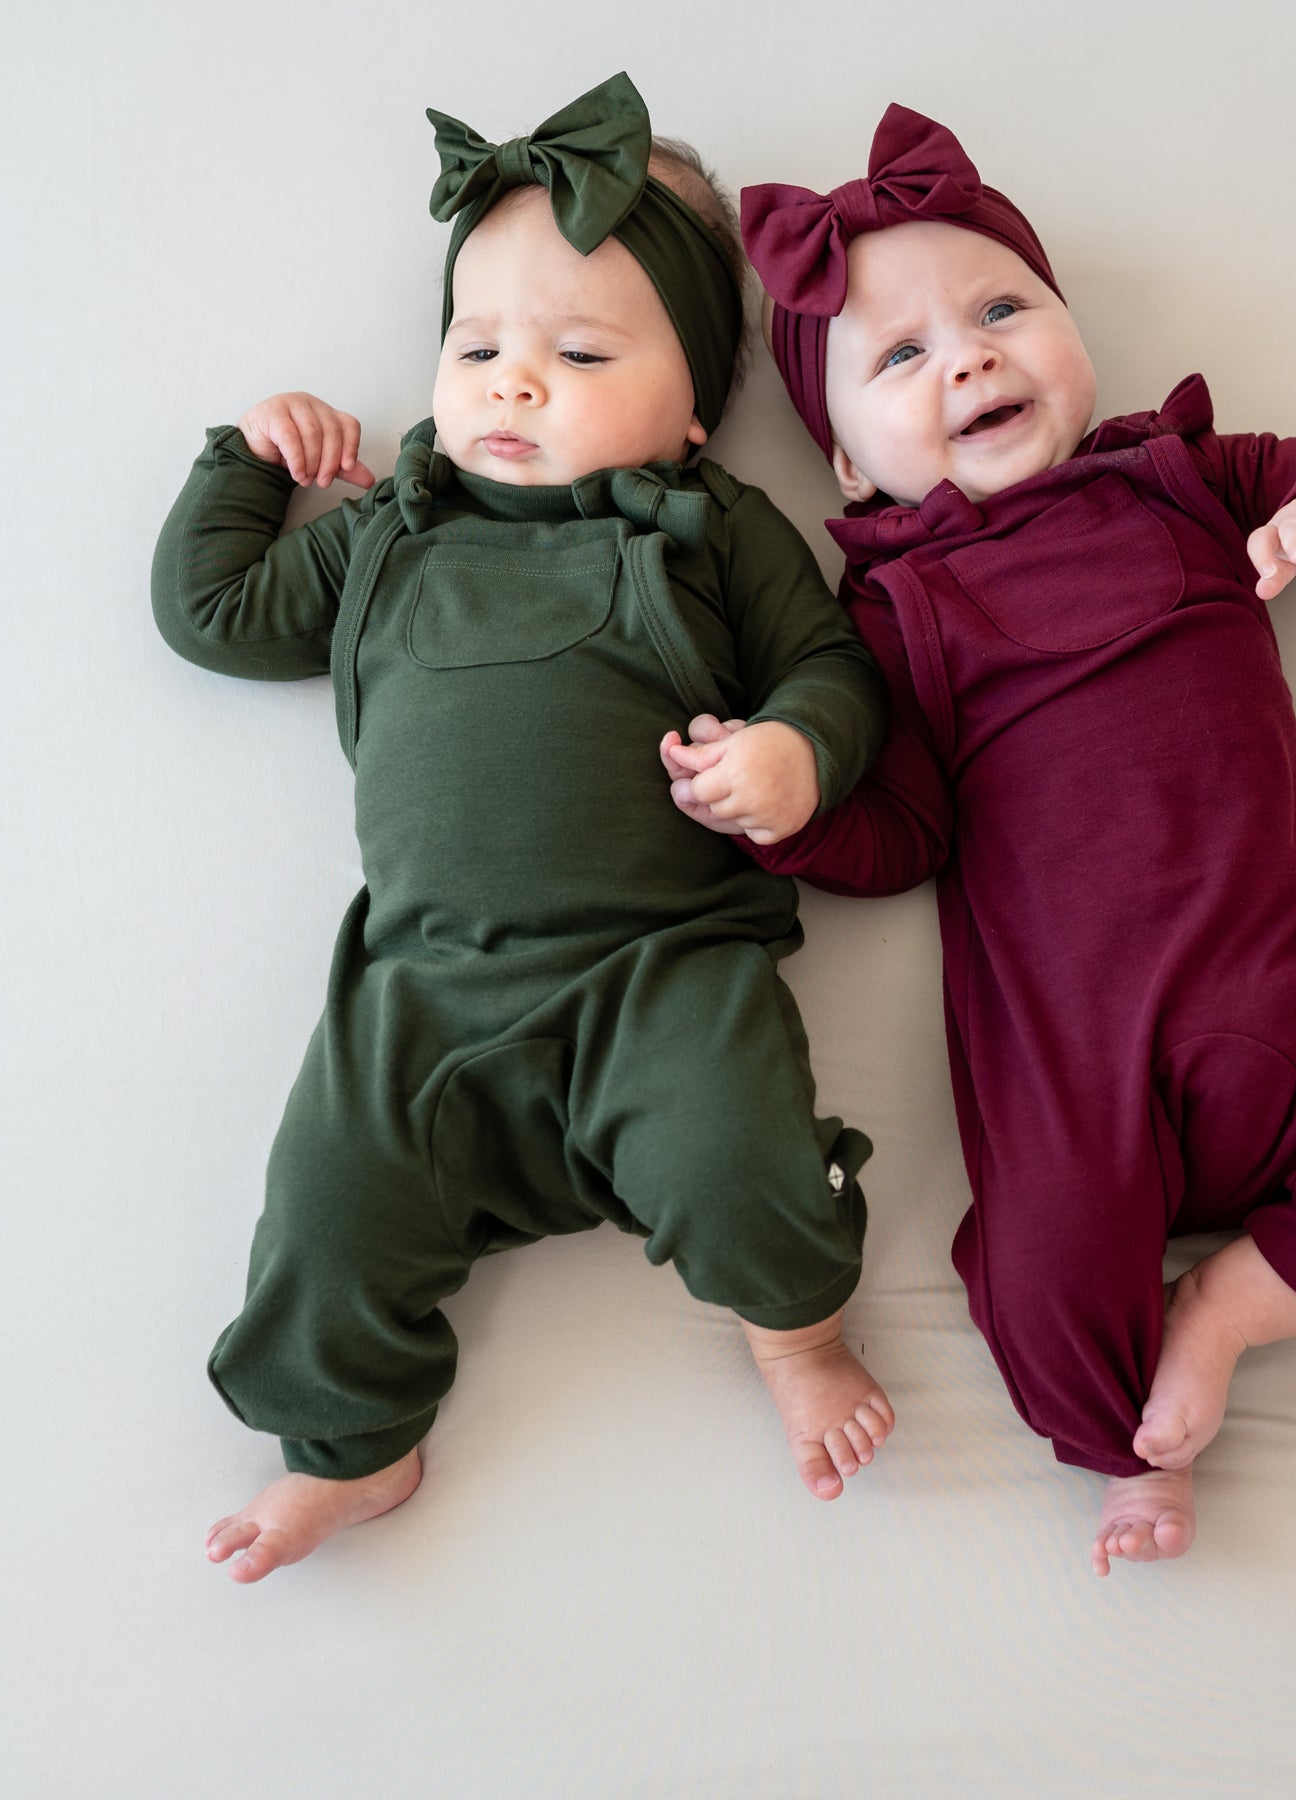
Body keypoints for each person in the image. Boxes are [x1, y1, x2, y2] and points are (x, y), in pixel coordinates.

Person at [666, 104, 1296, 1577]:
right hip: (1076, 1060)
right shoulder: (896, 609)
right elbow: (907, 828)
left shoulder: (1182, 481)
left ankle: (1225, 1311)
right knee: (1048, 1294)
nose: (973, 357)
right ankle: (1131, 1450)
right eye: (904, 357)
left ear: (1072, 330)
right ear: (853, 474)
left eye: (1002, 309)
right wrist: (796, 812)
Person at [152, 73, 895, 1584]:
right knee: (324, 1204)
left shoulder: (709, 527)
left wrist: (794, 757)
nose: (510, 383)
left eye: (577, 351)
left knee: (739, 1158)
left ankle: (798, 1337)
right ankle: (354, 1449)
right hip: (420, 990)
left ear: (691, 410)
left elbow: (832, 669)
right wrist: (245, 460)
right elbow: (214, 616)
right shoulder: (388, 529)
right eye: (476, 345)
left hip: (659, 972)